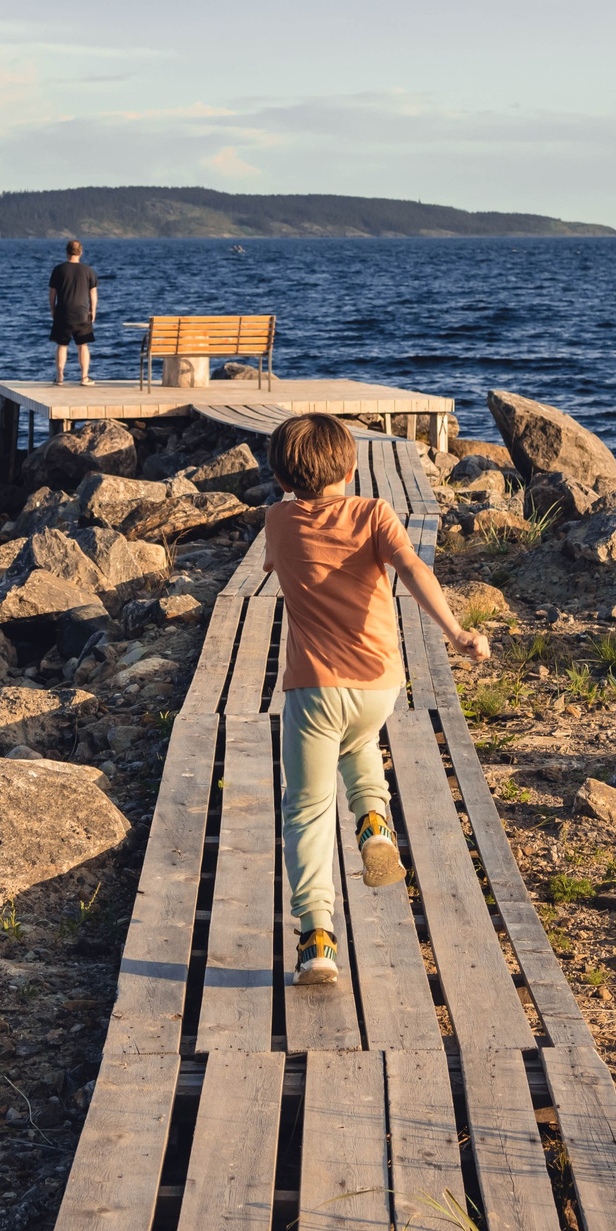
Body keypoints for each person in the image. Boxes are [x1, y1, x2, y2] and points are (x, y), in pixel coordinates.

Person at [260, 413, 489, 988]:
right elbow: (411, 567)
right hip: (379, 684)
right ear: (352, 468)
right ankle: (373, 824)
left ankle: (317, 940)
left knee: (307, 810)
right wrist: (456, 631)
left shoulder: (278, 521)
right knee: (358, 740)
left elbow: (274, 559)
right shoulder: (373, 513)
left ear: (281, 478)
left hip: (313, 688)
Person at [48, 239, 97, 385]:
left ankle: (60, 377)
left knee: (62, 345)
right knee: (83, 345)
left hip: (63, 313)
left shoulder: (59, 270)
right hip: (82, 313)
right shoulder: (88, 270)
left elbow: (52, 293)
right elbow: (93, 293)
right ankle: (84, 377)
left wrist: (53, 309)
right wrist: (93, 310)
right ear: (81, 252)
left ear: (66, 252)